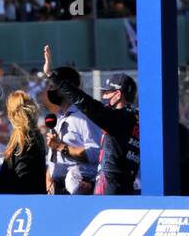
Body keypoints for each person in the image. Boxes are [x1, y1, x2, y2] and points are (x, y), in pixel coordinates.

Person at [42, 45, 137, 195]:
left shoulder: (119, 118)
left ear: (118, 95)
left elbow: (86, 103)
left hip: (111, 187)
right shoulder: (133, 117)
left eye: (106, 93)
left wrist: (54, 76)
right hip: (121, 184)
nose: (103, 97)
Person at [43, 64, 98, 194]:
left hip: (79, 189)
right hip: (57, 190)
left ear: (66, 87)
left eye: (53, 86)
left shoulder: (85, 117)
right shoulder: (59, 116)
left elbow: (96, 153)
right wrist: (49, 177)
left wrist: (61, 146)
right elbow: (54, 157)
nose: (49, 90)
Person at [0, 90, 46, 194]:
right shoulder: (32, 136)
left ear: (12, 114)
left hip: (22, 203)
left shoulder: (27, 140)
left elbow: (22, 180)